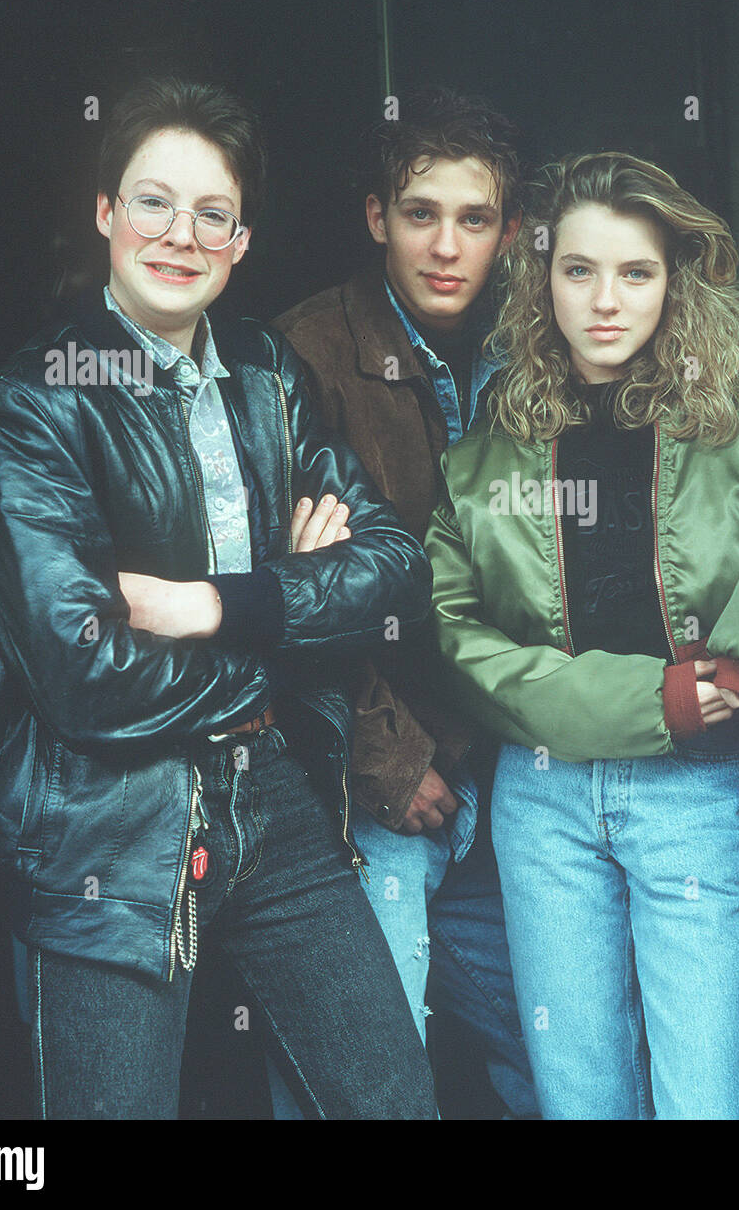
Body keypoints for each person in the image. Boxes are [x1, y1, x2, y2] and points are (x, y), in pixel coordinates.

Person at [0, 76, 437, 1119]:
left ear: (243, 238)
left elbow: (398, 563)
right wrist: (292, 610)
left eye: (211, 212)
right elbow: (84, 672)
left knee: (394, 1101)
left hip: (272, 786)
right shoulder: (32, 407)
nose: (180, 234)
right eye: (151, 202)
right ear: (103, 214)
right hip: (108, 823)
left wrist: (209, 604)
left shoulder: (266, 371)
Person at [424, 152, 739, 1119]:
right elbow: (456, 630)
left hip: (695, 791)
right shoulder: (487, 451)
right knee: (580, 1098)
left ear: (676, 282)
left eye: (636, 273)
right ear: (541, 278)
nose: (606, 301)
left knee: (711, 1098)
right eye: (579, 271)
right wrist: (662, 698)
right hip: (544, 794)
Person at [272, 88, 537, 1116]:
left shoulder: (540, 344)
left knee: (543, 1037)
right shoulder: (301, 355)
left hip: (509, 765)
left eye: (474, 219)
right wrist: (390, 755)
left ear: (509, 231)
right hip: (373, 782)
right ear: (377, 215)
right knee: (368, 1064)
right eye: (420, 212)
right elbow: (295, 591)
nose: (446, 244)